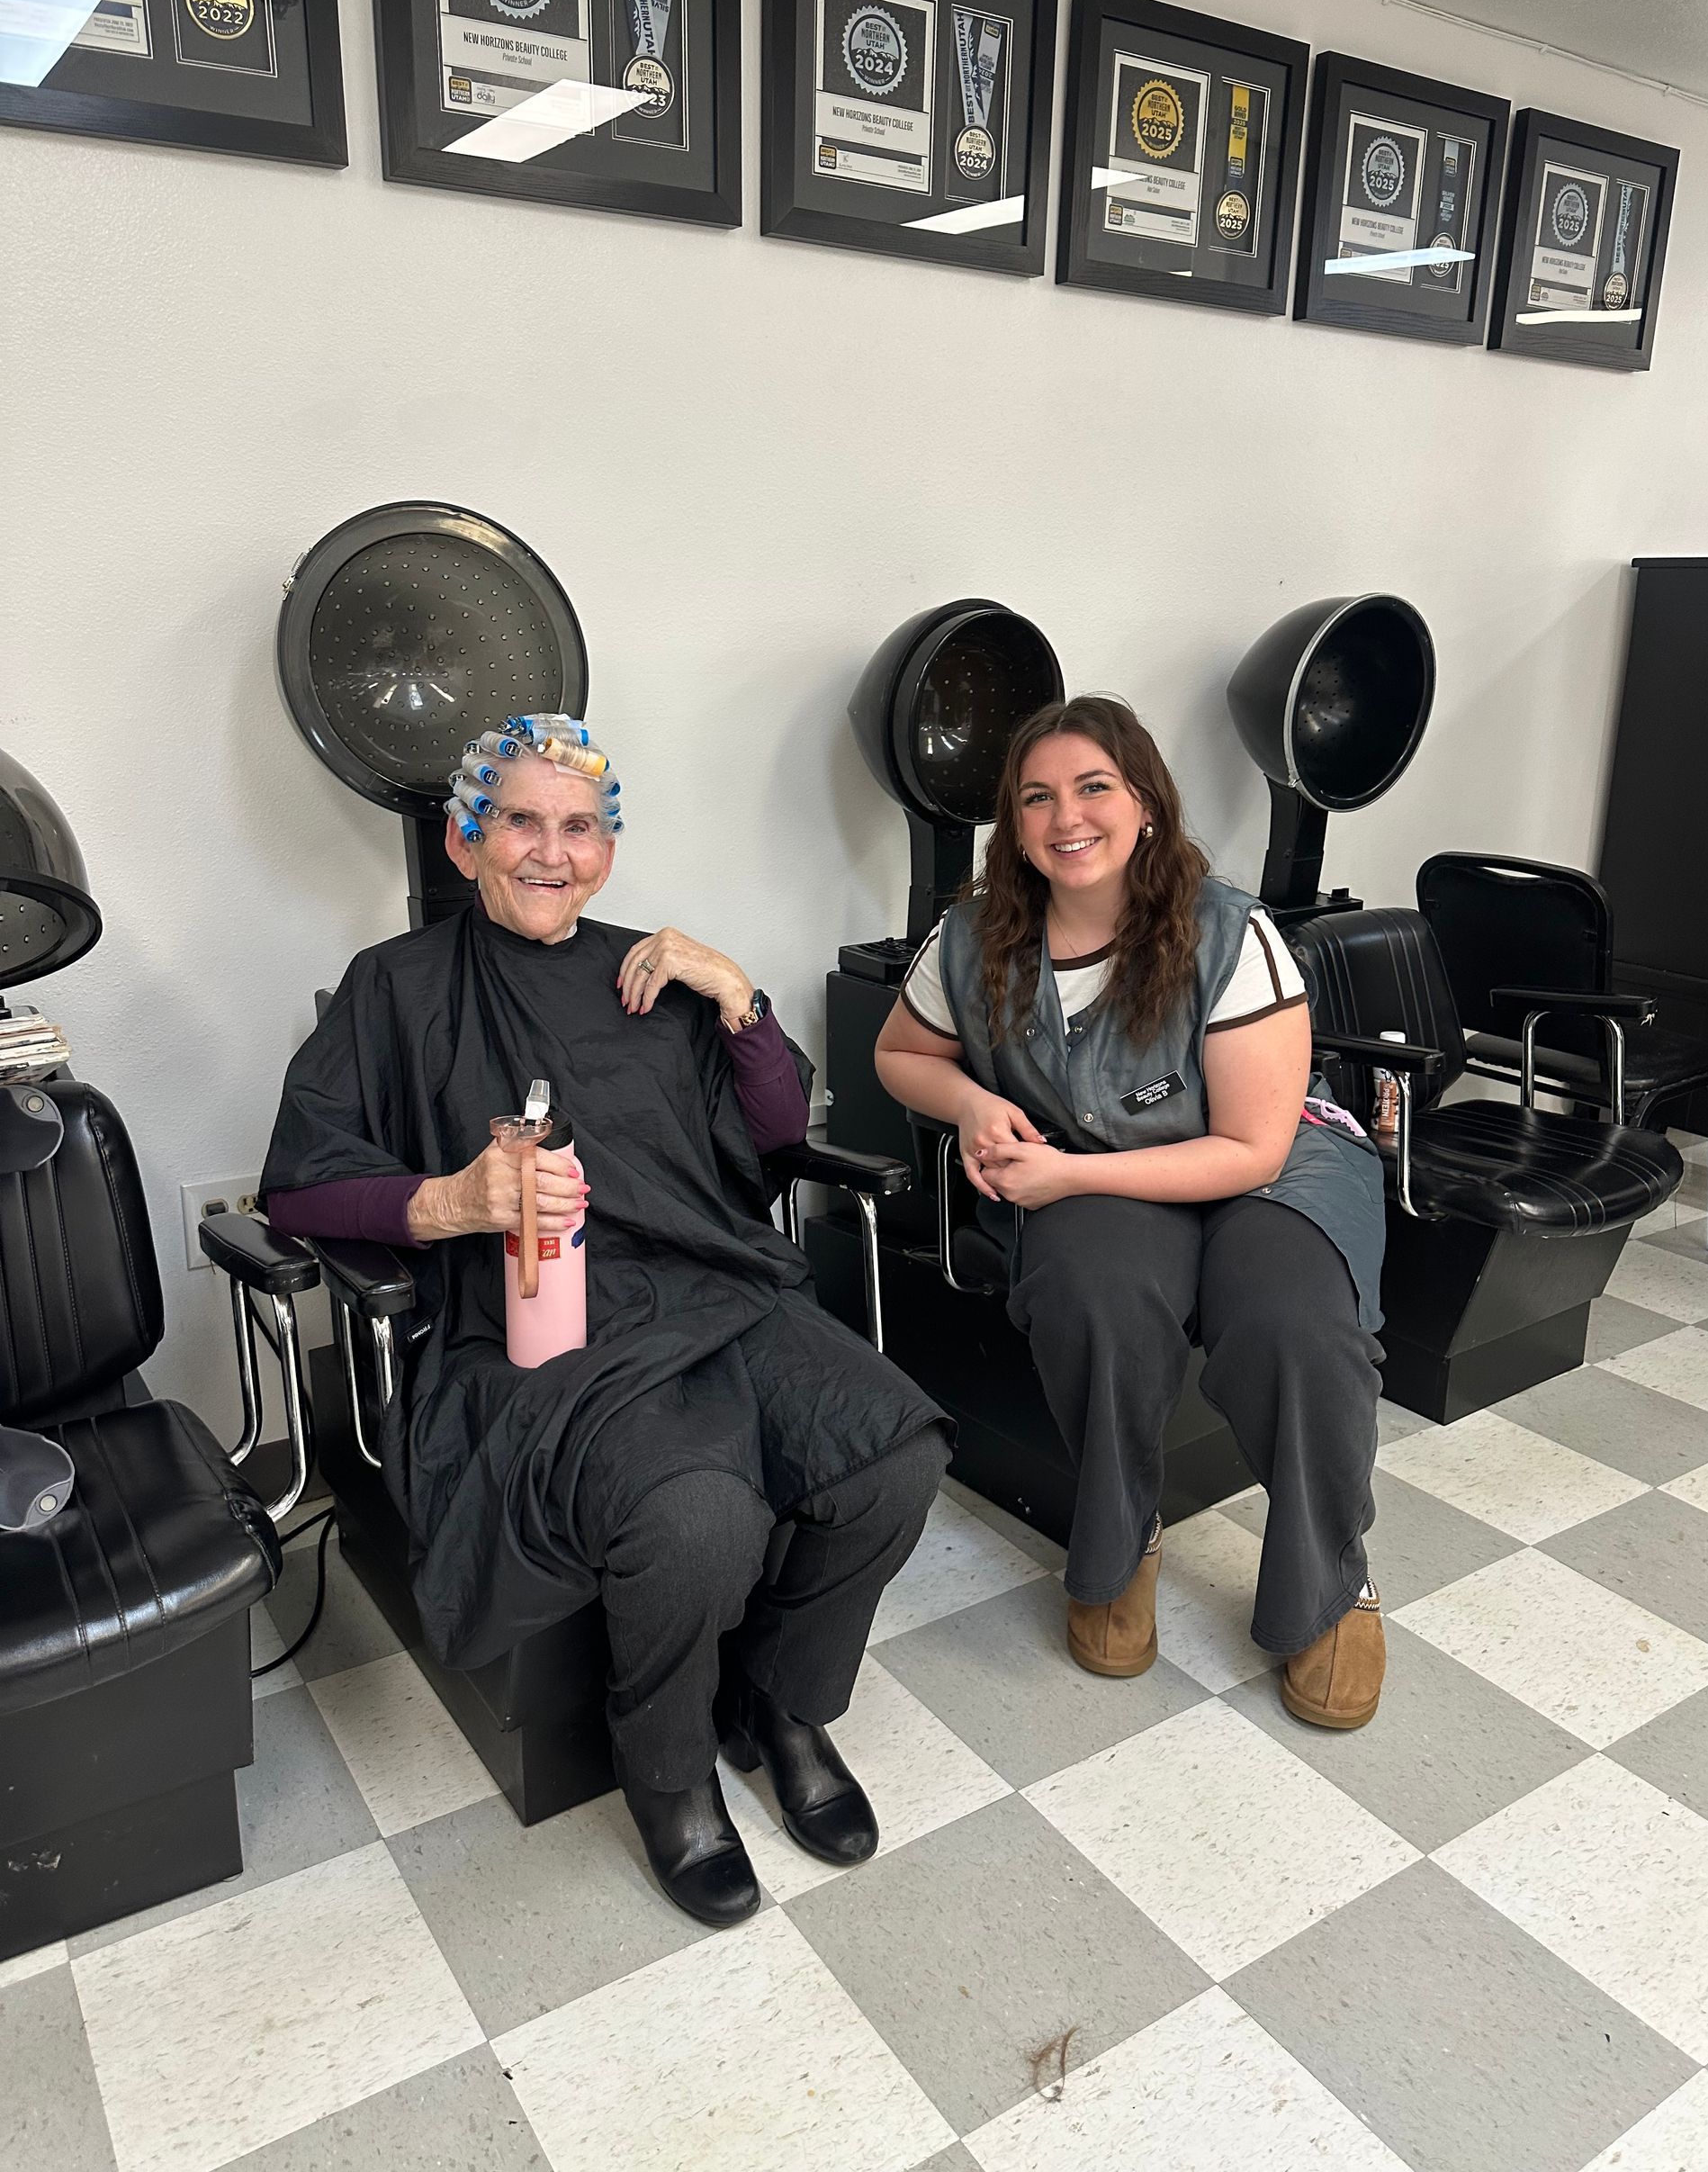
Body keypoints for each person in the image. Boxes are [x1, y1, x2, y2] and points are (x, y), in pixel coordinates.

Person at [263, 716, 949, 1925]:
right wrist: (449, 1200)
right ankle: (670, 1771)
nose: (550, 852)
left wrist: (738, 997)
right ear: (464, 836)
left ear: (608, 848)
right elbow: (301, 1182)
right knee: (696, 1521)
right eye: (519, 820)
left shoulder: (660, 974)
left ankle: (781, 1706)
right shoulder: (398, 989)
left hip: (711, 1286)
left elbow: (782, 1135)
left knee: (894, 1455)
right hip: (538, 1320)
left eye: (579, 827)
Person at [874, 695, 1388, 1728]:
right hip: (1100, 1166)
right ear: (1014, 826)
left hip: (1273, 1168)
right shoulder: (974, 937)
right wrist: (976, 1099)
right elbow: (899, 1054)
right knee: (1089, 1290)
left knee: (1292, 1322)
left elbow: (1251, 1145)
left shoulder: (1229, 930)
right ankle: (1120, 1542)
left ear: (1145, 800)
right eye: (1037, 797)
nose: (1068, 816)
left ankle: (1329, 1583)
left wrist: (1065, 1179)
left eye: (1094, 786)